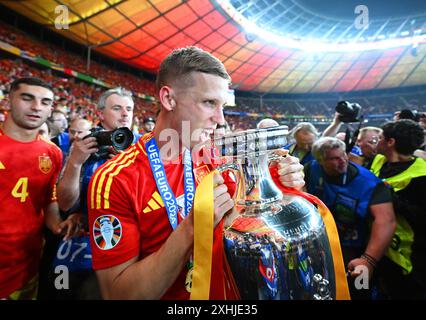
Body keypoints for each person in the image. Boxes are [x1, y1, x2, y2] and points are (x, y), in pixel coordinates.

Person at [88, 46, 306, 300]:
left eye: (222, 105)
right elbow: (118, 295)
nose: (220, 119)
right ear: (168, 99)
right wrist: (192, 228)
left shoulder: (218, 159)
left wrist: (281, 185)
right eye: (209, 103)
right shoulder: (114, 180)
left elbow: (250, 229)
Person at [50, 87, 138, 299]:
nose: (125, 114)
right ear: (100, 114)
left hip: (130, 247)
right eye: (117, 108)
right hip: (82, 248)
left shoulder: (143, 149)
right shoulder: (84, 146)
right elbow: (64, 203)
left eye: (129, 109)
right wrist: (75, 163)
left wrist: (126, 167)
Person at [0, 77, 79, 299]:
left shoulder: (52, 153)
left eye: (45, 102)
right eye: (27, 98)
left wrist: (59, 225)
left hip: (26, 267)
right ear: (9, 99)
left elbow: (48, 199)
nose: (37, 107)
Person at [304, 137, 396, 299]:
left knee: (360, 291)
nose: (342, 161)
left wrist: (368, 260)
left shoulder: (370, 183)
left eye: (343, 155)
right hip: (322, 247)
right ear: (320, 160)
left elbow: (386, 221)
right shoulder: (311, 169)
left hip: (356, 251)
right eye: (334, 158)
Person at [370, 119, 426, 299]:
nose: (376, 142)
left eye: (379, 138)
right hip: (375, 247)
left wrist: (393, 199)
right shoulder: (379, 160)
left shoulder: (421, 174)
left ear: (390, 142)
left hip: (405, 257)